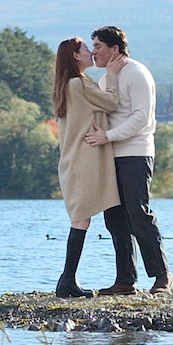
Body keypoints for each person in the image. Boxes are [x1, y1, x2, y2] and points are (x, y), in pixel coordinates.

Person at [82, 25, 171, 294]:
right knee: (114, 217)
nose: (94, 51)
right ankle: (125, 280)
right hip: (110, 154)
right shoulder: (107, 78)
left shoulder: (137, 73)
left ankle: (162, 276)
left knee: (138, 213)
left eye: (98, 46)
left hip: (136, 153)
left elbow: (141, 118)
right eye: (93, 46)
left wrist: (108, 136)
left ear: (114, 49)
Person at [50, 37, 121, 297]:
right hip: (82, 160)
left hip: (73, 160)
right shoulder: (78, 84)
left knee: (82, 218)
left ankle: (67, 279)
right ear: (76, 56)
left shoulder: (67, 85)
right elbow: (111, 102)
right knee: (81, 219)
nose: (91, 52)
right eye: (86, 49)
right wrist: (111, 74)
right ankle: (67, 280)